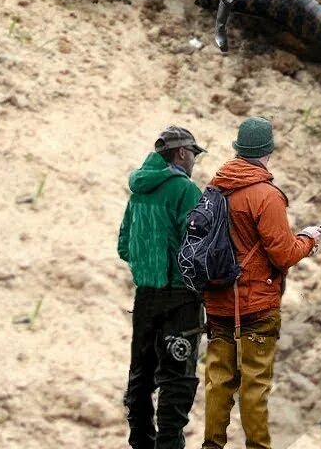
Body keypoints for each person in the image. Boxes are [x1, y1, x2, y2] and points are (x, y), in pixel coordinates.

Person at [201, 116, 321, 449]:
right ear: (268, 151)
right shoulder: (266, 196)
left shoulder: (215, 187)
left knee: (218, 381)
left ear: (239, 149)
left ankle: (211, 445)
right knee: (255, 384)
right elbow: (283, 254)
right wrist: (309, 239)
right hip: (256, 304)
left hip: (217, 300)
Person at [118, 126, 208, 449]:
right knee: (178, 378)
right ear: (181, 153)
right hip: (180, 298)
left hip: (145, 296)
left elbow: (124, 246)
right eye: (194, 154)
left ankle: (140, 442)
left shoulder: (139, 191)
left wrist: (148, 267)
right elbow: (199, 246)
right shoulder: (186, 192)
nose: (195, 160)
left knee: (141, 375)